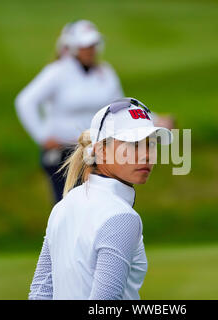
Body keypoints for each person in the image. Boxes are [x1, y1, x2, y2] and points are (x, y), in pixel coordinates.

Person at [28, 97, 173, 300]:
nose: (146, 155)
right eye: (133, 144)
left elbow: (40, 293)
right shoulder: (121, 217)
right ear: (100, 151)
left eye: (150, 144)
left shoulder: (64, 205)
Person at [15, 20, 124, 204]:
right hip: (63, 154)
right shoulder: (58, 72)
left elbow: (119, 106)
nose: (91, 50)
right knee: (68, 207)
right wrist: (42, 136)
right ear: (73, 47)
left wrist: (153, 120)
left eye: (93, 45)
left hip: (95, 151)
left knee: (97, 207)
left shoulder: (105, 72)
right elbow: (25, 101)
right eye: (85, 46)